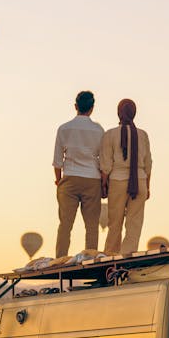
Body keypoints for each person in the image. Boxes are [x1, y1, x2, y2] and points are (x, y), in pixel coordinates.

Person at [53, 91, 105, 258]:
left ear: (75, 106)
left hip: (70, 178)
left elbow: (57, 161)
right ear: (92, 108)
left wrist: (59, 181)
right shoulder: (98, 130)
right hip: (92, 179)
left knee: (65, 225)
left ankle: (61, 258)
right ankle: (90, 258)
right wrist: (103, 183)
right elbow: (103, 161)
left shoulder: (64, 128)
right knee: (91, 225)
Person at [100, 99, 152, 256]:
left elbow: (106, 164)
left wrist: (104, 183)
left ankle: (111, 256)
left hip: (118, 181)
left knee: (114, 223)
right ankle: (127, 256)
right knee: (134, 224)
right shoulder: (143, 135)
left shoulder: (110, 134)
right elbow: (148, 164)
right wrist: (148, 187)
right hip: (140, 182)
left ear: (118, 113)